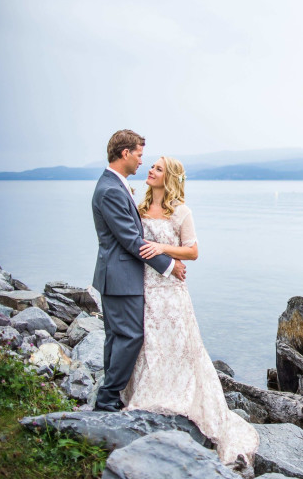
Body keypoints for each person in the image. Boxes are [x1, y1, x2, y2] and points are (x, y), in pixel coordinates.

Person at [120, 156, 259, 474]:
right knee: (148, 343)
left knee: (180, 346)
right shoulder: (139, 209)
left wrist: (162, 249)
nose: (150, 170)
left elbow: (193, 251)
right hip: (144, 287)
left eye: (157, 168)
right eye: (151, 165)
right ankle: (142, 394)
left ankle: (187, 404)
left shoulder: (181, 211)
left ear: (168, 178)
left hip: (171, 291)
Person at [91, 129, 187, 413]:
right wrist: (170, 266)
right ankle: (108, 397)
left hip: (118, 277)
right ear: (125, 154)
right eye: (139, 155)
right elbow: (131, 240)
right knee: (131, 335)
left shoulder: (114, 185)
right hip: (121, 278)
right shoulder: (110, 190)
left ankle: (109, 394)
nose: (141, 162)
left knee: (116, 336)